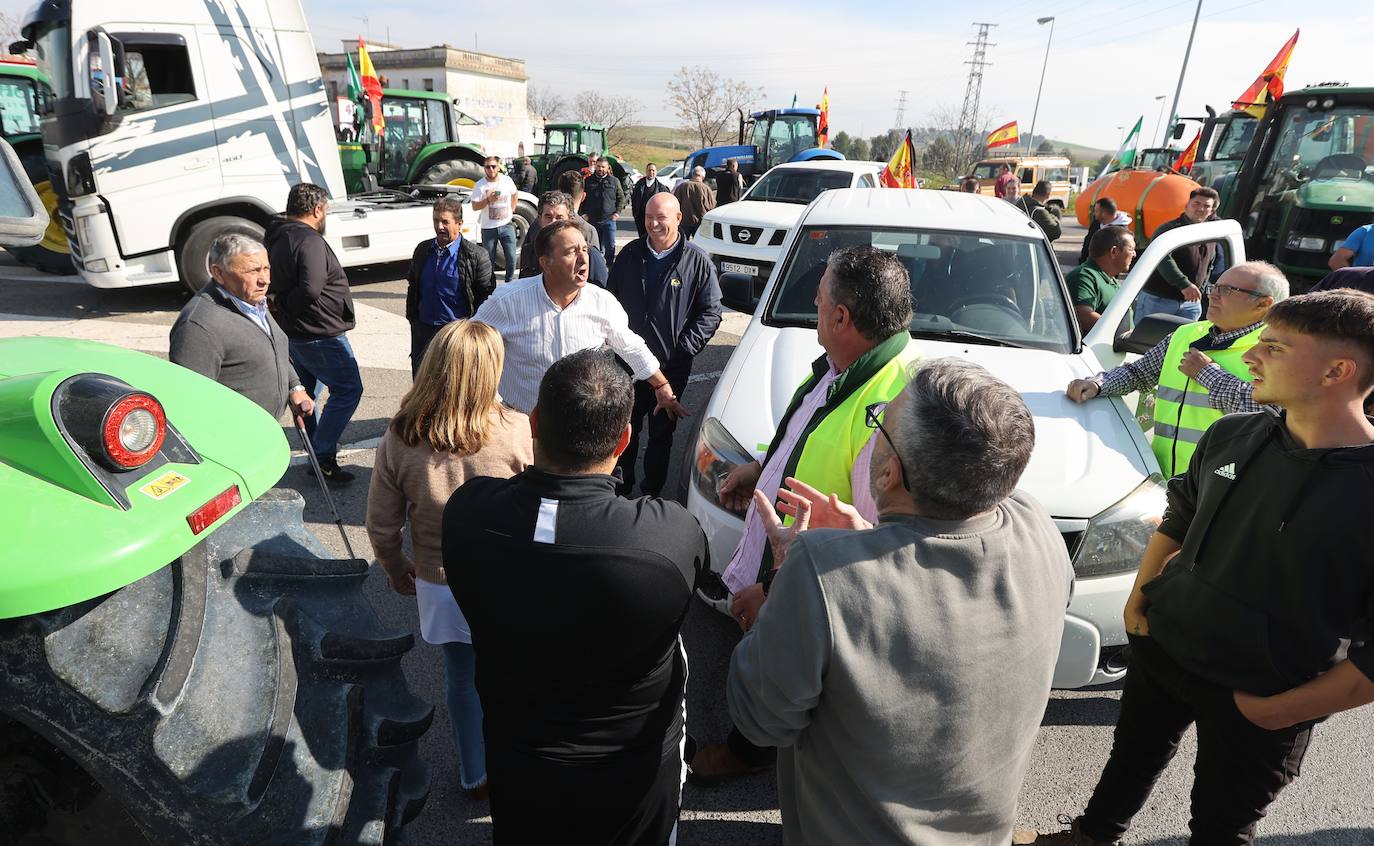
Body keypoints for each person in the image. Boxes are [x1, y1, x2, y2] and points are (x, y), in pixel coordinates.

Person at [1027, 288, 1374, 846]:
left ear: (1337, 370)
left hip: (1264, 692)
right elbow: (1180, 515)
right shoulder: (1232, 434)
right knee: (1126, 768)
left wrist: (1282, 711)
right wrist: (1138, 602)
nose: (1253, 355)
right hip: (1166, 645)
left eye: (1276, 348)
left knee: (1221, 827)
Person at [729, 358, 1073, 845]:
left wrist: (787, 572)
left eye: (879, 424)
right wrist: (871, 538)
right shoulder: (1037, 525)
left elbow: (759, 718)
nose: (875, 434)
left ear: (889, 473)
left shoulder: (818, 574)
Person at [443, 348, 711, 845]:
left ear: (535, 422)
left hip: (518, 764)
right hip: (634, 779)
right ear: (626, 437)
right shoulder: (668, 536)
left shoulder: (467, 515)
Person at [688, 244, 916, 783]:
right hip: (785, 568)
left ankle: (750, 752)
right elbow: (808, 436)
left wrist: (772, 595)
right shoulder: (845, 368)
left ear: (842, 317)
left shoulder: (892, 411)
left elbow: (869, 546)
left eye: (817, 305)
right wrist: (761, 467)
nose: (813, 313)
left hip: (804, 591)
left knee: (780, 679)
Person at [365, 320, 532, 803]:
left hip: (439, 579)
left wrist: (396, 567)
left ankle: (473, 772)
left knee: (461, 676)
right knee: (511, 672)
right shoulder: (516, 430)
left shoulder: (401, 436)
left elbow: (382, 522)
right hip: (506, 578)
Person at [1066, 261, 1288, 478]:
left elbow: (1269, 415)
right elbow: (1138, 373)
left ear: (1263, 304)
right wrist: (1098, 384)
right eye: (1215, 286)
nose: (1212, 294)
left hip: (1224, 483)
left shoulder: (1276, 351)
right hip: (1165, 475)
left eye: (1227, 290)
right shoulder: (1185, 335)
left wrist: (1207, 374)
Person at [472, 219, 688, 418]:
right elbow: (467, 345)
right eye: (571, 252)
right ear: (546, 263)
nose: (584, 258)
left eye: (584, 249)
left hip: (579, 426)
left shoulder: (602, 302)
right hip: (521, 426)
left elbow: (631, 346)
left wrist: (661, 386)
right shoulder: (507, 301)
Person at [606, 193, 723, 496]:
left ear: (678, 218)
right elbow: (611, 301)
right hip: (628, 367)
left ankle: (652, 495)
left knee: (661, 433)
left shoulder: (696, 261)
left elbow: (711, 312)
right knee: (624, 430)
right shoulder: (629, 255)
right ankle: (620, 490)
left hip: (671, 369)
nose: (654, 224)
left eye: (661, 217)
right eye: (648, 217)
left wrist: (684, 349)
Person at [265, 183, 362, 485]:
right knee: (348, 389)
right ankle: (321, 455)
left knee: (305, 394)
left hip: (299, 332)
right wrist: (286, 307)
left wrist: (282, 309)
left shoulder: (279, 236)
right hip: (319, 333)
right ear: (317, 209)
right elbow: (311, 287)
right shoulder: (308, 241)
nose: (327, 214)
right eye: (326, 209)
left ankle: (316, 451)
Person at [170, 234, 314, 421]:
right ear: (218, 273)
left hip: (267, 431)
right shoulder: (198, 326)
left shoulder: (252, 300)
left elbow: (274, 345)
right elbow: (191, 405)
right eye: (252, 271)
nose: (265, 280)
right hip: (235, 441)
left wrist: (295, 387)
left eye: (266, 268)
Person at [404, 196, 495, 375]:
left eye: (445, 222)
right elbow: (413, 287)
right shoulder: (423, 250)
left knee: (454, 389)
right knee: (423, 390)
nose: (439, 227)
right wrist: (414, 322)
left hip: (456, 335)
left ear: (459, 223)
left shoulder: (476, 256)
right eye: (436, 221)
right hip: (424, 334)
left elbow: (486, 300)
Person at [1134, 186, 1221, 321]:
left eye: (1206, 206)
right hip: (1159, 300)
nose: (1201, 209)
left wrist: (1202, 289)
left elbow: (1210, 263)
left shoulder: (1209, 234)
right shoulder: (1169, 230)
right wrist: (1184, 284)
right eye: (1196, 203)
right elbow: (1162, 258)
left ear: (1211, 211)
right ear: (1187, 205)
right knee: (1147, 340)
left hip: (1191, 304)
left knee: (1183, 341)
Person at [517, 190, 606, 284]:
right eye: (548, 217)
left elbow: (600, 293)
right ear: (539, 219)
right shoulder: (530, 251)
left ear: (571, 220)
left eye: (559, 218)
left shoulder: (589, 255)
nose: (553, 223)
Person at [1068, 227, 1137, 332]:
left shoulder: (1112, 281)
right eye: (1131, 249)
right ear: (1114, 251)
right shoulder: (1084, 277)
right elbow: (1083, 316)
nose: (1134, 254)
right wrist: (1121, 333)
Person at [470, 156, 519, 285]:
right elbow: (474, 206)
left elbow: (515, 194)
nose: (491, 169)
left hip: (506, 225)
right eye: (487, 166)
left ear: (498, 167)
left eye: (493, 166)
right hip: (488, 228)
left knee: (511, 257)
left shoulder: (507, 181)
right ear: (484, 168)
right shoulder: (480, 185)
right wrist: (487, 200)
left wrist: (512, 209)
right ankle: (491, 286)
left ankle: (509, 282)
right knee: (489, 260)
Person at [582, 157, 625, 264]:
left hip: (609, 220)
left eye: (603, 167)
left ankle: (610, 269)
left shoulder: (614, 181)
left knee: (610, 246)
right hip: (592, 220)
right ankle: (596, 268)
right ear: (595, 166)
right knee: (594, 247)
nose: (600, 169)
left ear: (607, 168)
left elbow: (621, 198)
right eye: (598, 166)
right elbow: (582, 198)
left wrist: (617, 213)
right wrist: (584, 213)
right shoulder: (588, 181)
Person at [1079, 197, 1133, 265]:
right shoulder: (1096, 224)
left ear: (1104, 214)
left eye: (1096, 211)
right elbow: (1087, 243)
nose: (1094, 213)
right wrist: (1082, 262)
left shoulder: (1121, 231)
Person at [672, 166, 716, 240]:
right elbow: (712, 206)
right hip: (700, 222)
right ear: (702, 176)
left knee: (683, 244)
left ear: (693, 174)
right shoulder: (706, 188)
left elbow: (675, 203)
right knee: (699, 245)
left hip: (683, 222)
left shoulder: (682, 186)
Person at [630, 162, 671, 241]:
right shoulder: (639, 185)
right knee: (642, 239)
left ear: (656, 172)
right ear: (646, 171)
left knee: (653, 239)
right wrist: (635, 215)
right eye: (649, 170)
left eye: (653, 170)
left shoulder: (661, 188)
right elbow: (634, 200)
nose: (651, 172)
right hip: (641, 219)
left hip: (654, 219)